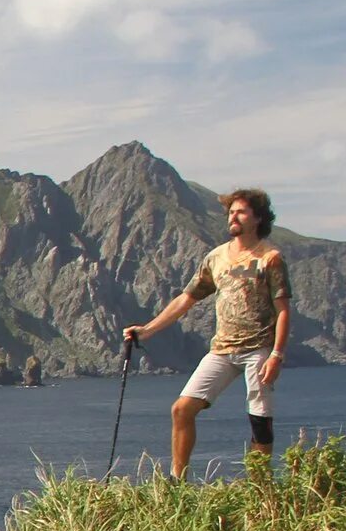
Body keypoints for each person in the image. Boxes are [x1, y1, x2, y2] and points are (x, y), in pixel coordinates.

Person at [122, 189, 292, 480]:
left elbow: (283, 309)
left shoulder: (270, 258)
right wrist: (147, 330)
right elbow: (185, 300)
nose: (233, 217)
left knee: (260, 422)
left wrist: (276, 354)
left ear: (258, 218)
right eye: (230, 212)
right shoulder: (216, 258)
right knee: (181, 409)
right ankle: (177, 482)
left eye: (240, 212)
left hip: (259, 350)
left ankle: (260, 490)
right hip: (222, 350)